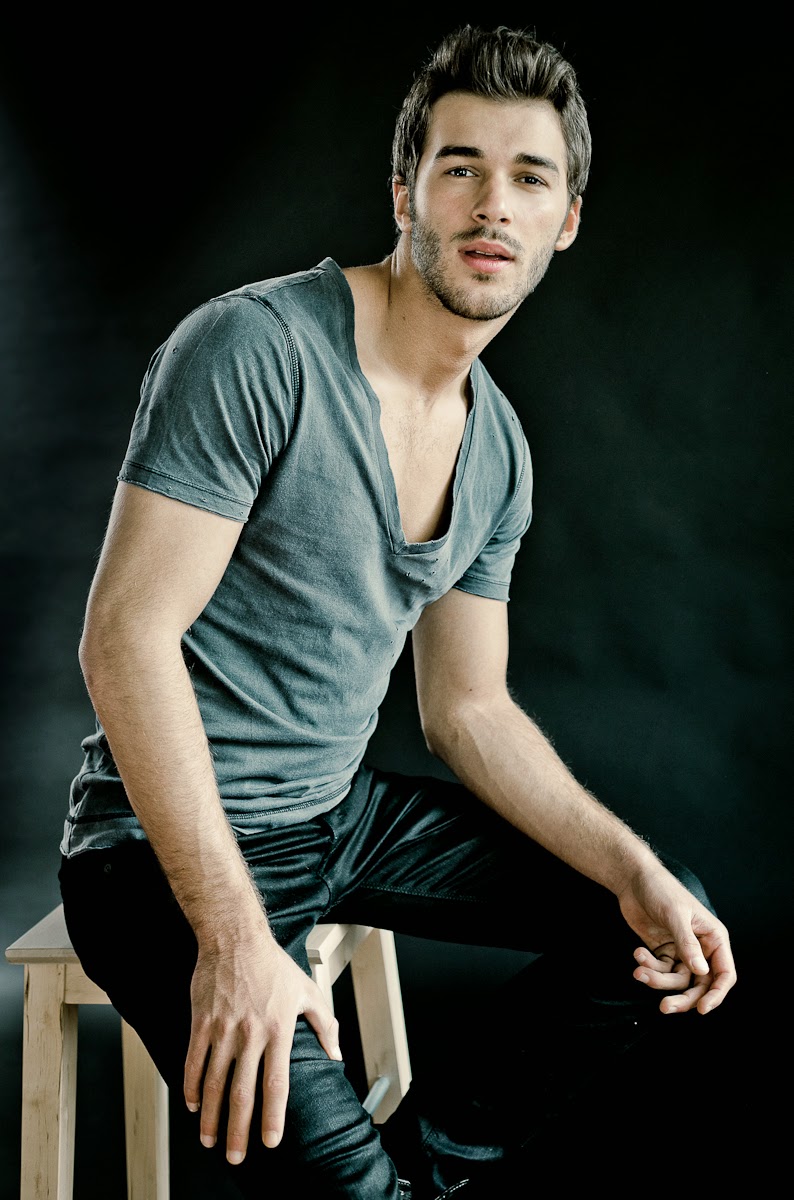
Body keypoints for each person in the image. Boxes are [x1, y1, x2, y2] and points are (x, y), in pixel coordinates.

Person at [58, 23, 737, 1199]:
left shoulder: (498, 450)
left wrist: (634, 866)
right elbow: (124, 640)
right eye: (458, 167)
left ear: (565, 221)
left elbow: (466, 711)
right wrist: (235, 940)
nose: (491, 203)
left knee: (653, 923)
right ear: (403, 192)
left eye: (528, 177)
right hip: (160, 851)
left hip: (339, 818)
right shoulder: (254, 349)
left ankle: (411, 1179)